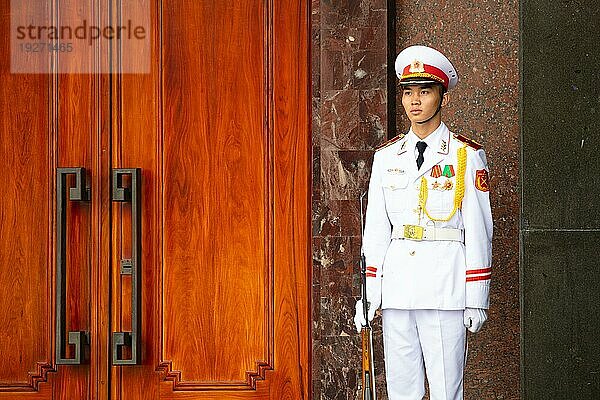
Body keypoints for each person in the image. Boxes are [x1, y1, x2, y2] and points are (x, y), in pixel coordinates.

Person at [354, 45, 493, 400]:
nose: (414, 101)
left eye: (425, 91)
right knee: (401, 390)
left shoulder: (465, 155)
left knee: (447, 390)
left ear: (442, 97)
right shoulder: (387, 158)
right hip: (398, 290)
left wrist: (476, 298)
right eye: (408, 92)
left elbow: (479, 231)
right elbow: (377, 230)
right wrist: (370, 293)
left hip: (444, 291)